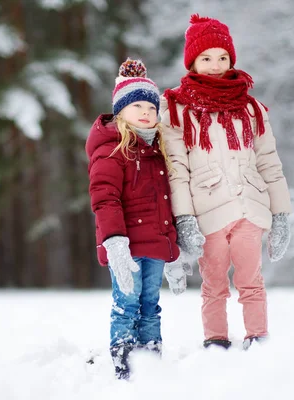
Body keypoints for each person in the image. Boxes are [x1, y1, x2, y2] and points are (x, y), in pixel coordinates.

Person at [160, 14, 292, 351]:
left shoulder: (250, 108)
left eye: (222, 58)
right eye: (206, 58)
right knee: (214, 283)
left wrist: (281, 215)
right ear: (192, 62)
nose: (215, 65)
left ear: (232, 59)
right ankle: (215, 342)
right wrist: (185, 218)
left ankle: (258, 339)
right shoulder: (176, 109)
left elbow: (269, 162)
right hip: (207, 213)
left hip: (250, 205)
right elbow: (176, 169)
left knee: (251, 280)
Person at [85, 58, 180, 379]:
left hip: (154, 245)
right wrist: (114, 242)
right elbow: (104, 197)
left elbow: (166, 202)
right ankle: (123, 362)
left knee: (151, 306)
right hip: (125, 245)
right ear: (120, 111)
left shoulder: (159, 153)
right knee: (126, 303)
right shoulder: (112, 150)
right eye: (136, 105)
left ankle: (150, 360)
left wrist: (174, 249)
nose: (145, 112)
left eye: (151, 107)